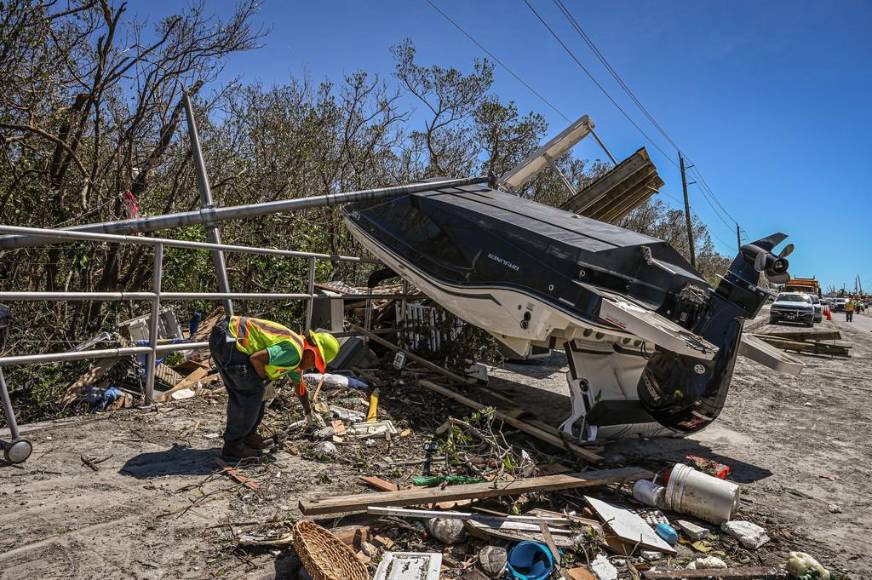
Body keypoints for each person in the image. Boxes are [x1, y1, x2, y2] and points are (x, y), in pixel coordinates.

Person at [209, 315, 340, 460]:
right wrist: (263, 379)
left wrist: (308, 412)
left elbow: (300, 388)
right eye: (315, 363)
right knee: (251, 393)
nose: (312, 366)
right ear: (312, 352)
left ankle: (247, 437)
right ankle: (233, 446)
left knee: (258, 391)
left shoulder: (297, 356)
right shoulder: (294, 352)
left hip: (226, 337)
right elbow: (256, 359)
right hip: (231, 340)